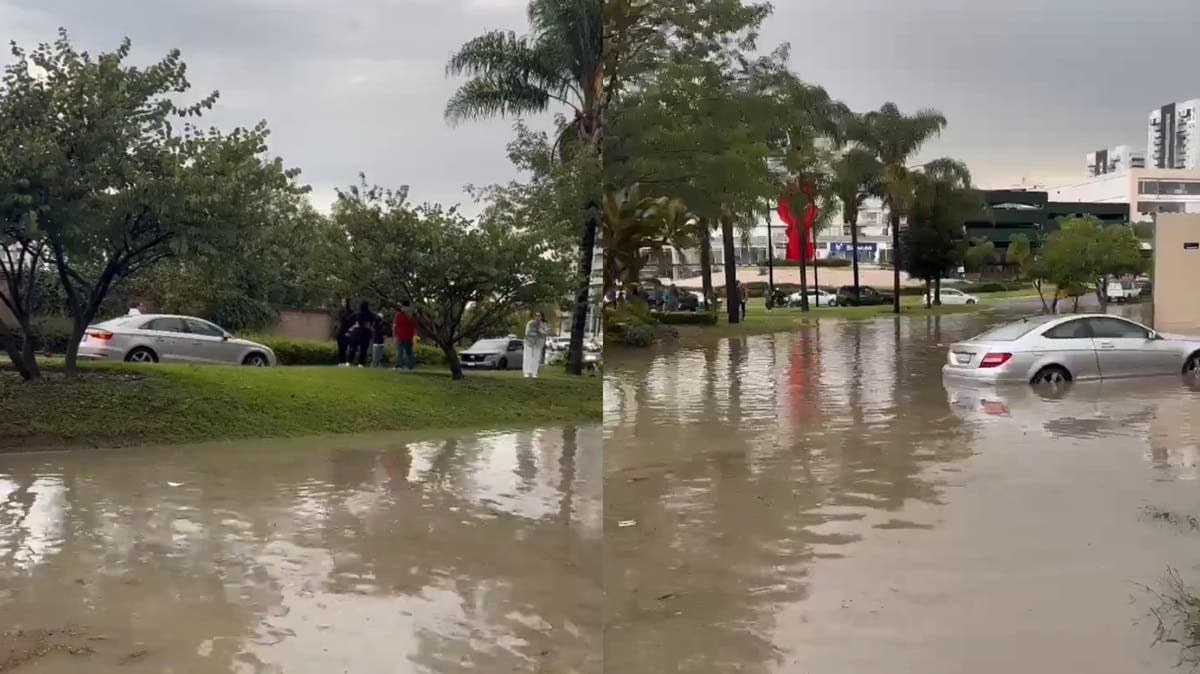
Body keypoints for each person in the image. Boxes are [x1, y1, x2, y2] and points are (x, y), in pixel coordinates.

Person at [523, 311, 549, 379]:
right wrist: (537, 332)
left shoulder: (544, 324)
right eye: (536, 315)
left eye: (539, 316)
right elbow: (527, 333)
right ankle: (527, 372)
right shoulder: (530, 323)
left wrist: (539, 330)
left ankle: (534, 373)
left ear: (542, 317)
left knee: (536, 358)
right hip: (529, 342)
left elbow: (545, 332)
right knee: (527, 357)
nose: (537, 317)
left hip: (538, 343)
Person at [348, 300, 374, 367]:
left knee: (353, 348)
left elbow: (348, 320)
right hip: (365, 333)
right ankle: (361, 363)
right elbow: (374, 321)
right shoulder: (370, 314)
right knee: (363, 349)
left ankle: (349, 362)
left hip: (356, 333)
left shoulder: (356, 313)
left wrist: (352, 326)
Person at [392, 300, 416, 371]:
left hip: (399, 335)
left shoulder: (399, 314)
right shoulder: (412, 314)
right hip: (409, 335)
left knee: (400, 351)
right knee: (409, 352)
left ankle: (398, 366)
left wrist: (393, 335)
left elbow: (395, 326)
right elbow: (415, 325)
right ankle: (410, 366)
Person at [335, 298, 354, 366]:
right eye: (342, 302)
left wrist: (349, 331)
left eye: (345, 302)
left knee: (348, 348)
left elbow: (352, 322)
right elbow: (341, 320)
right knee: (340, 348)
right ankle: (341, 362)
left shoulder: (351, 312)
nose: (343, 303)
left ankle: (348, 361)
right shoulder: (340, 311)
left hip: (348, 331)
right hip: (341, 331)